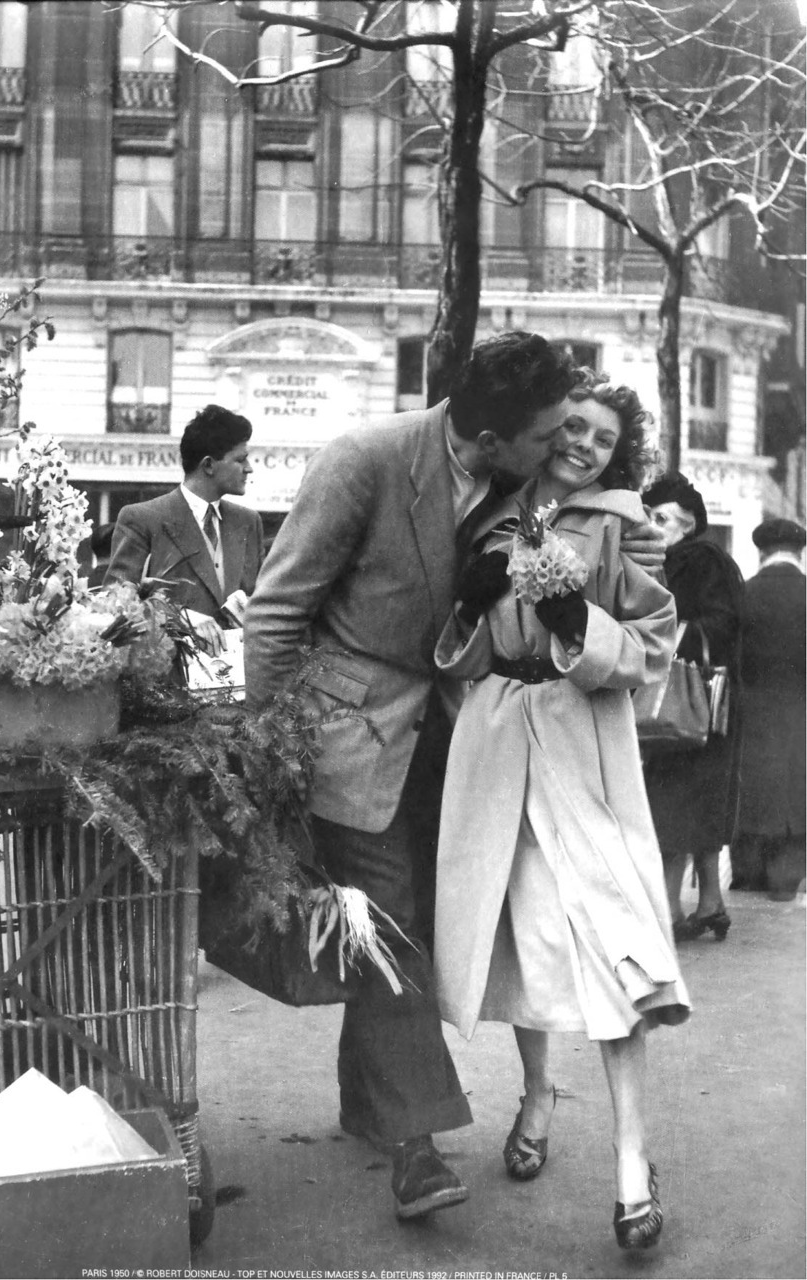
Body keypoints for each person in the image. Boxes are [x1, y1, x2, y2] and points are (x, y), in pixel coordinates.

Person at [243, 332, 666, 1222]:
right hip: (350, 734)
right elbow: (276, 612)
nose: (561, 443)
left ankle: (374, 1105)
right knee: (388, 924)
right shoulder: (363, 460)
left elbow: (605, 578)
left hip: (463, 740)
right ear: (492, 440)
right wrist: (274, 750)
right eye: (548, 430)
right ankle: (416, 1149)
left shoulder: (527, 490)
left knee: (410, 931)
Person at [434, 371, 689, 1251]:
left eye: (603, 441)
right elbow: (459, 662)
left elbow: (653, 648)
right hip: (499, 743)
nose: (583, 447)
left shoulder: (627, 526)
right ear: (547, 428)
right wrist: (469, 607)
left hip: (582, 750)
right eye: (573, 429)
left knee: (616, 949)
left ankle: (630, 1162)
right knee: (524, 941)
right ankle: (538, 1093)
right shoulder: (488, 515)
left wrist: (578, 622)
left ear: (622, 457)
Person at [640, 473, 744, 941]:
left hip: (690, 700)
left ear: (688, 525)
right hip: (695, 707)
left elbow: (722, 622)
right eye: (651, 516)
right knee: (694, 802)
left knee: (675, 804)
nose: (654, 526)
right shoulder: (672, 559)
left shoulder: (699, 560)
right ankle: (709, 904)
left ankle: (669, 914)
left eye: (663, 519)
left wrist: (671, 633)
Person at [104, 404, 264, 653]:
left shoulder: (248, 522)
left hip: (239, 679)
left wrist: (251, 609)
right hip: (168, 681)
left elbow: (261, 598)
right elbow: (117, 604)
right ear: (209, 465)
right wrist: (181, 618)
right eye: (240, 459)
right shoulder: (142, 519)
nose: (249, 468)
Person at [731, 517, 806, 900]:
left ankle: (747, 874)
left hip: (754, 708)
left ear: (762, 552)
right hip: (802, 711)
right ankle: (786, 879)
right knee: (798, 788)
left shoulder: (744, 593)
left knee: (756, 787)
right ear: (800, 552)